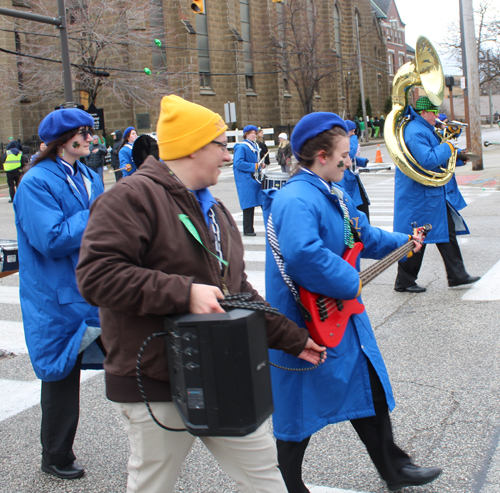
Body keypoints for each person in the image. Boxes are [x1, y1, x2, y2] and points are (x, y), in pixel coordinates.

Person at [75, 95, 325, 493]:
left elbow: (237, 292)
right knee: (152, 485)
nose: (228, 158)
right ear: (193, 147)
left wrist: (293, 340)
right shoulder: (129, 198)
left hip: (221, 371)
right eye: (221, 147)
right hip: (154, 379)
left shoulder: (216, 211)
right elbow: (96, 276)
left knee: (267, 480)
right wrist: (185, 293)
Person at [263, 111, 442, 493]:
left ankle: (395, 469)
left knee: (369, 390)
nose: (350, 159)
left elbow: (360, 235)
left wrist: (404, 244)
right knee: (297, 415)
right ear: (322, 156)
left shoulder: (332, 192)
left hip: (337, 318)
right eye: (344, 153)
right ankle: (286, 486)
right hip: (306, 323)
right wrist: (350, 282)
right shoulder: (296, 198)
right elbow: (303, 254)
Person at [13, 108, 105, 480]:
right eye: (83, 133)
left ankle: (156, 439)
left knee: (132, 358)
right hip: (55, 296)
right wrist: (96, 213)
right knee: (60, 377)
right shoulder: (36, 181)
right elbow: (50, 239)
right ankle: (55, 455)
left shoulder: (88, 175)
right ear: (63, 141)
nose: (90, 139)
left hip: (92, 288)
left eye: (89, 132)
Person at [394, 96, 480, 293]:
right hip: (420, 195)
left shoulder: (422, 128)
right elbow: (427, 159)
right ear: (424, 112)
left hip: (428, 194)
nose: (437, 116)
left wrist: (457, 158)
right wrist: (449, 146)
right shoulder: (415, 131)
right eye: (434, 112)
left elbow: (436, 155)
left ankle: (457, 275)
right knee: (419, 236)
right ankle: (405, 281)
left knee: (444, 232)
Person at [337, 120, 371, 221]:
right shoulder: (342, 142)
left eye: (354, 131)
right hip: (346, 182)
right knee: (356, 212)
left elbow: (347, 159)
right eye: (351, 131)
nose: (353, 134)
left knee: (362, 207)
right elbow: (349, 155)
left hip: (351, 180)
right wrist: (354, 139)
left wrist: (362, 161)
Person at [233, 124, 263, 236]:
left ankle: (269, 227)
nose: (254, 135)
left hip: (253, 179)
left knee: (261, 201)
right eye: (251, 133)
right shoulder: (242, 147)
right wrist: (255, 166)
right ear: (246, 134)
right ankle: (248, 229)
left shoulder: (253, 145)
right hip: (246, 180)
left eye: (255, 133)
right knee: (249, 205)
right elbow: (238, 163)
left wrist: (260, 165)